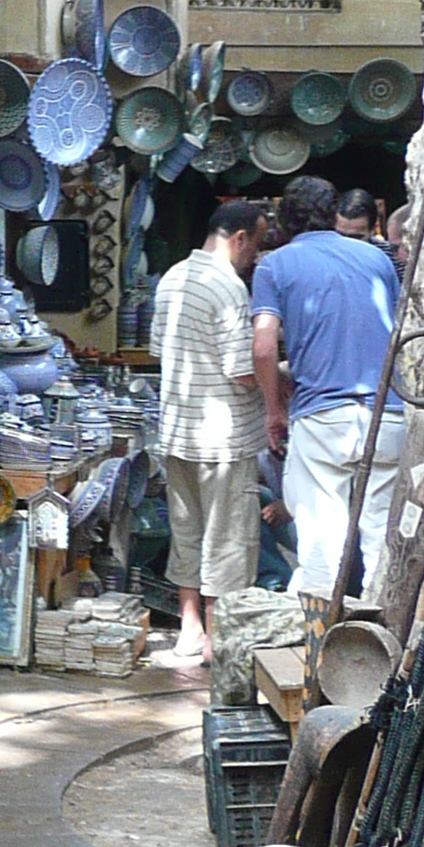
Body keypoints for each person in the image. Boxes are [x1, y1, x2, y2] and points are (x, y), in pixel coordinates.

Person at [251, 174, 405, 602]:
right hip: (387, 411)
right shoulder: (377, 260)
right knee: (380, 537)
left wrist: (273, 412)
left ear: (284, 221)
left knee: (323, 539)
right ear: (333, 212)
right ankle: (380, 641)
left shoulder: (274, 265)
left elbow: (263, 347)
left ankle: (318, 646)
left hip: (323, 416)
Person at [149, 199, 267, 664]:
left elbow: (160, 348)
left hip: (178, 428)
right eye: (255, 246)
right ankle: (219, 642)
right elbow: (242, 371)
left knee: (187, 533)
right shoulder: (229, 288)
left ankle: (188, 630)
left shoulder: (173, 277)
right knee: (228, 537)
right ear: (239, 239)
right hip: (223, 435)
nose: (255, 257)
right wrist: (279, 374)